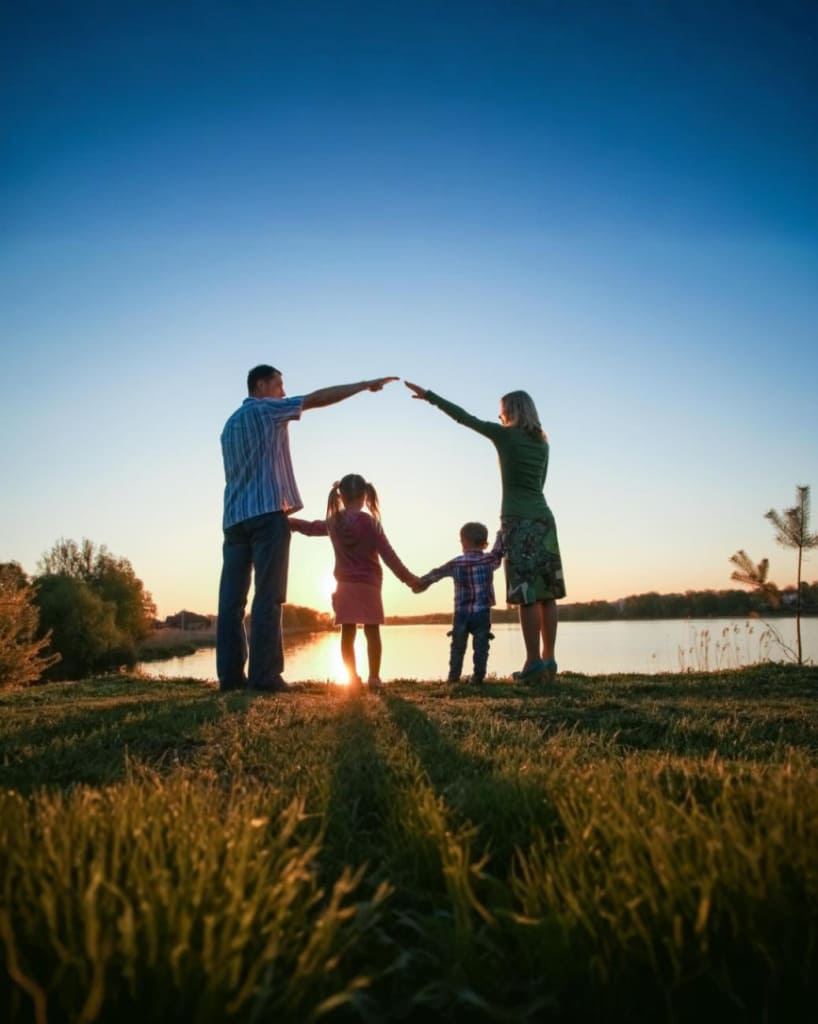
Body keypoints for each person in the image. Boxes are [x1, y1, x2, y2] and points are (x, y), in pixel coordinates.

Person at [217, 367, 398, 694]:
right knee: (269, 597)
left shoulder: (229, 425)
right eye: (279, 385)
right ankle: (265, 677)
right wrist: (362, 384)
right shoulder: (266, 410)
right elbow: (316, 399)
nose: (283, 393)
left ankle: (230, 679)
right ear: (261, 385)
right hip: (268, 513)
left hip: (233, 518)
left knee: (231, 602)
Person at [405, 382, 566, 684]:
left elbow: (464, 418)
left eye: (503, 412)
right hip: (544, 520)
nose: (500, 417)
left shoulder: (505, 436)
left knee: (527, 596)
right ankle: (549, 659)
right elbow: (541, 483)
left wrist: (430, 396)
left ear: (511, 412)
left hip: (517, 520)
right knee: (548, 594)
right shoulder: (543, 443)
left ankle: (532, 663)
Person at [289, 474, 418, 693]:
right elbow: (389, 555)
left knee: (347, 634)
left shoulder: (334, 522)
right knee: (372, 632)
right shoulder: (370, 523)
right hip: (369, 586)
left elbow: (311, 528)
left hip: (345, 586)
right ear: (364, 495)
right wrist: (410, 579)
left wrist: (290, 522)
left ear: (340, 496)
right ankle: (374, 678)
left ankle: (352, 678)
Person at [413, 522, 504, 685]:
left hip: (461, 613)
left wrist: (420, 584)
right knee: (481, 645)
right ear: (484, 542)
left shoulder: (456, 563)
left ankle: (453, 677)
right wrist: (500, 533)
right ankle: (478, 677)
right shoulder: (489, 560)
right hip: (482, 613)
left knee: (458, 647)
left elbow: (437, 573)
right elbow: (498, 551)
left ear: (463, 541)